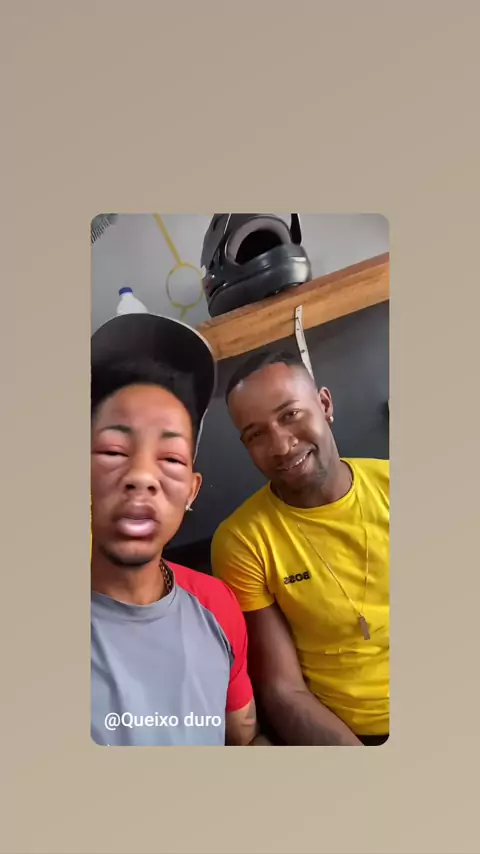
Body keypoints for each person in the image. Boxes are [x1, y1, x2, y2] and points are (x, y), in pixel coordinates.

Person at [91, 312, 260, 747]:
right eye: (113, 451)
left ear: (191, 490)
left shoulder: (216, 605)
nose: (142, 475)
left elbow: (241, 734)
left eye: (170, 459)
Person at [211, 350, 389, 746]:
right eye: (256, 434)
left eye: (290, 414)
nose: (281, 445)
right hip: (350, 733)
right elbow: (283, 690)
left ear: (324, 404)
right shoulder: (243, 540)